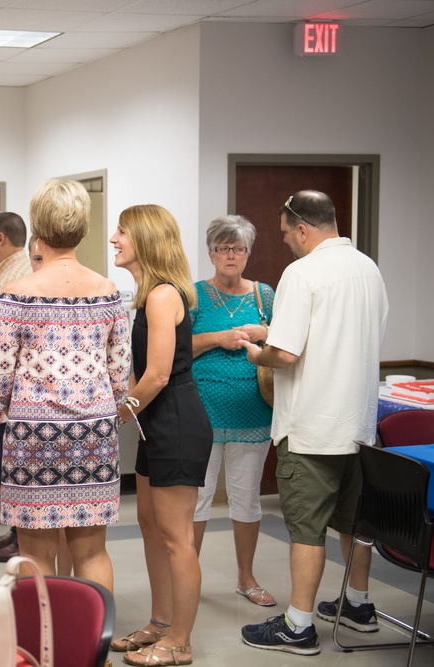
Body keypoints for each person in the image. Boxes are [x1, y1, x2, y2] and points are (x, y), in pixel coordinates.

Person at [239, 191, 388, 656]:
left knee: (307, 529)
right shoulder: (369, 269)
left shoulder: (301, 273)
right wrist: (275, 332)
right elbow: (337, 333)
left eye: (286, 235)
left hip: (311, 429)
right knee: (354, 522)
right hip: (359, 426)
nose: (286, 243)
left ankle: (298, 625)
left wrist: (257, 351)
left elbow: (285, 355)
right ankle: (359, 606)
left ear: (302, 228)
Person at [0, 178, 130, 590]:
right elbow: (120, 375)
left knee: (35, 553)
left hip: (32, 434)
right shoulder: (108, 291)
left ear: (38, 229)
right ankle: (90, 648)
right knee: (93, 551)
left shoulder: (15, 294)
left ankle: (43, 644)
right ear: (82, 228)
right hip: (94, 432)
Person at [110, 205, 213, 667]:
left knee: (176, 538)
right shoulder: (147, 294)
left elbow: (155, 376)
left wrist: (116, 415)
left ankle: (180, 643)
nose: (114, 238)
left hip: (175, 422)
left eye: (122, 232)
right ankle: (160, 623)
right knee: (151, 528)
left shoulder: (162, 296)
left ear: (145, 240)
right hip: (158, 425)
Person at [190, 215, 276, 607]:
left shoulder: (264, 295)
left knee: (246, 498)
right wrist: (217, 338)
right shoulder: (193, 295)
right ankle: (186, 577)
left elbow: (289, 344)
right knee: (197, 499)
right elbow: (179, 348)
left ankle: (246, 578)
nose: (230, 255)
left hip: (252, 412)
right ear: (210, 253)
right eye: (223, 248)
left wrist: (265, 333)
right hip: (201, 412)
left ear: (247, 253)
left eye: (238, 248)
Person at [0, 212, 34, 562]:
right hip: (13, 394)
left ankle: (22, 538)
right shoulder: (9, 272)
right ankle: (17, 533)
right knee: (6, 465)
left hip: (14, 395)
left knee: (11, 466)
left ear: (1, 238)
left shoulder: (16, 279)